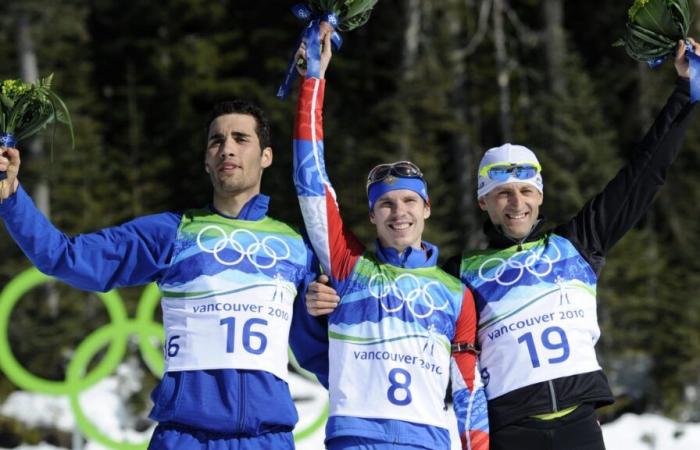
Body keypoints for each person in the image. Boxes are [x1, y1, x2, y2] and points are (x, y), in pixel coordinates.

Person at [306, 38, 699, 450]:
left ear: (540, 196)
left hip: (579, 425)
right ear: (483, 201)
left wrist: (684, 93)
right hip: (510, 431)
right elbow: (388, 298)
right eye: (502, 193)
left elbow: (644, 174)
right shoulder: (460, 273)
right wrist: (323, 297)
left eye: (526, 191)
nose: (516, 203)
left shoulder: (577, 245)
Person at [0, 100, 327, 450]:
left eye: (240, 138)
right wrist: (10, 196)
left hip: (267, 440)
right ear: (206, 160)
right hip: (184, 437)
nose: (226, 148)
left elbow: (323, 356)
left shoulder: (296, 247)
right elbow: (66, 257)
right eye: (216, 140)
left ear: (266, 156)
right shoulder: (173, 232)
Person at [292, 27, 489, 450]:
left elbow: (469, 387)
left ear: (427, 208)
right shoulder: (348, 266)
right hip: (356, 439)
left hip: (427, 442)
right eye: (386, 204)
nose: (399, 212)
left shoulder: (456, 295)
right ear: (372, 215)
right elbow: (310, 181)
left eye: (409, 202)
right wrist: (315, 80)